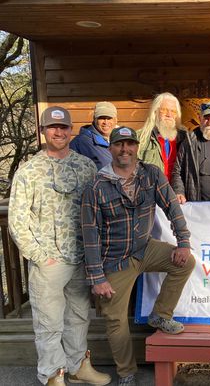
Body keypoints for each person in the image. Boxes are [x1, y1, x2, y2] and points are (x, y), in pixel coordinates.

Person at [81, 126, 195, 386]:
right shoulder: (96, 186)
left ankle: (161, 314)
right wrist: (97, 277)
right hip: (115, 260)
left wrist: (183, 242)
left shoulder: (151, 173)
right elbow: (89, 236)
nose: (125, 149)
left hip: (145, 248)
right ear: (110, 148)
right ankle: (126, 373)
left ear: (136, 147)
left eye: (130, 144)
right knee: (115, 317)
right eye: (119, 144)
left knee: (185, 261)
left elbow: (172, 208)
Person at [8, 106, 110, 386]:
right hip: (48, 262)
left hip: (81, 258)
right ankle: (53, 374)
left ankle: (77, 366)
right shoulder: (29, 171)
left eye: (63, 127)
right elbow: (17, 220)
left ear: (70, 130)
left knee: (78, 317)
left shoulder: (86, 166)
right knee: (49, 323)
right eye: (52, 127)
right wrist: (41, 257)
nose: (58, 132)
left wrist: (95, 253)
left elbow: (98, 210)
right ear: (43, 131)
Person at [137, 92, 185, 182]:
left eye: (173, 111)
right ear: (155, 112)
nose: (169, 115)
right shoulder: (140, 138)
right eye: (164, 110)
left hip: (178, 193)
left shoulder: (185, 138)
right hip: (153, 193)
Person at [70, 101, 117, 170]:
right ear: (94, 119)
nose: (106, 122)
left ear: (116, 120)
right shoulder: (81, 142)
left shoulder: (121, 141)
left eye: (109, 118)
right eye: (102, 118)